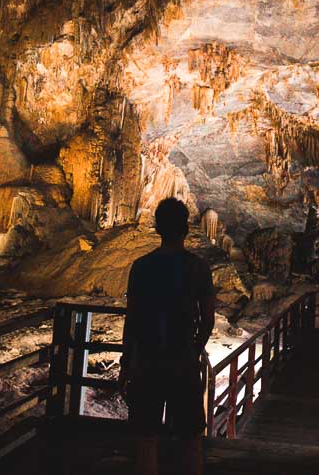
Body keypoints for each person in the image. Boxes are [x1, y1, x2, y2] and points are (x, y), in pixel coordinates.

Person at [120, 198, 216, 475]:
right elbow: (207, 319)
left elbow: (133, 319)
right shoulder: (197, 267)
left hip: (147, 361)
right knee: (190, 439)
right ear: (185, 229)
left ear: (158, 228)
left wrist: (127, 363)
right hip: (182, 361)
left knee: (147, 439)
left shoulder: (141, 267)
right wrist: (194, 349)